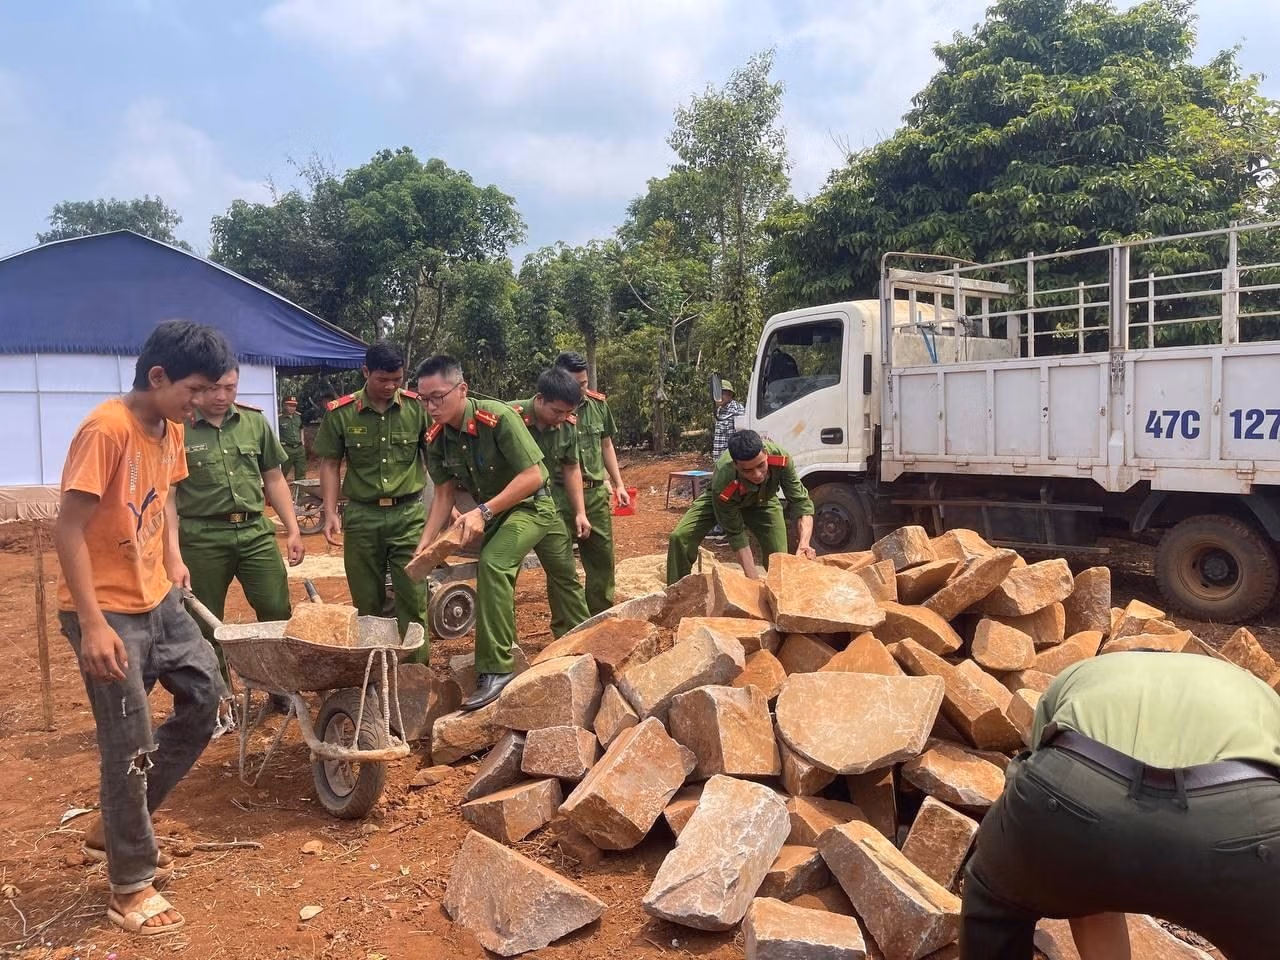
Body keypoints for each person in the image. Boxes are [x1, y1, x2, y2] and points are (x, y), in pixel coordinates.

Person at [53, 319, 233, 936]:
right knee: (128, 742)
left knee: (207, 698)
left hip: (159, 597)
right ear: (157, 376)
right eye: (195, 388)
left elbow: (165, 500)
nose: (203, 401)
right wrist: (92, 624)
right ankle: (129, 885)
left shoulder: (170, 427)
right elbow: (68, 528)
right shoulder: (106, 430)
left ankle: (118, 824)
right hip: (106, 610)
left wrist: (173, 558)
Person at [960, 650, 1280, 960]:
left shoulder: (1087, 671)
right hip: (1238, 824)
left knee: (998, 892)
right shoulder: (1257, 692)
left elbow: (1036, 764)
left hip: (1077, 798)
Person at [415, 355, 589, 710]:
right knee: (494, 565)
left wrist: (482, 511)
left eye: (438, 397)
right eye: (424, 399)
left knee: (563, 577)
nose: (431, 406)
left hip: (534, 507)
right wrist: (425, 545)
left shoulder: (497, 418)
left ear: (462, 389)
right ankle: (497, 667)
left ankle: (586, 642)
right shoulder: (437, 438)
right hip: (499, 515)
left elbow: (534, 476)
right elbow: (444, 495)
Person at [177, 364, 305, 726]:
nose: (222, 396)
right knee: (205, 622)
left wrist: (293, 529)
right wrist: (171, 554)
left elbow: (273, 478)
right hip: (202, 537)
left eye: (230, 388)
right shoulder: (178, 429)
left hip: (254, 532)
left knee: (276, 609)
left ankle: (281, 689)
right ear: (198, 386)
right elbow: (168, 496)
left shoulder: (254, 422)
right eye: (213, 388)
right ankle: (220, 702)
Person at [313, 342, 429, 658]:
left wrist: (447, 508)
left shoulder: (417, 409)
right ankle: (375, 671)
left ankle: (416, 672)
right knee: (366, 602)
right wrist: (330, 512)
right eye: (383, 380)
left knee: (413, 598)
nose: (390, 387)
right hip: (362, 517)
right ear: (366, 372)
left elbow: (434, 459)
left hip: (408, 516)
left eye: (397, 379)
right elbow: (330, 464)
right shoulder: (342, 413)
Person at [509, 367, 596, 635]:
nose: (562, 419)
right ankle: (507, 646)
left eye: (568, 413)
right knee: (503, 578)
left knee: (565, 575)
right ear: (539, 399)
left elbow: (571, 467)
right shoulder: (509, 417)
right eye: (557, 412)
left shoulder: (567, 424)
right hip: (509, 512)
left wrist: (580, 512)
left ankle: (578, 638)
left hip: (548, 508)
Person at [666, 429, 816, 583]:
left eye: (761, 465)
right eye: (748, 470)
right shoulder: (724, 479)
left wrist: (804, 543)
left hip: (763, 500)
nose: (757, 474)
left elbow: (801, 502)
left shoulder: (781, 458)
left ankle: (779, 590)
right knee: (680, 537)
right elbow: (737, 535)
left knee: (778, 558)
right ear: (735, 465)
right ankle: (676, 591)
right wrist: (753, 582)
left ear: (765, 453)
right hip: (724, 500)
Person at [554, 351, 627, 614]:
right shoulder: (549, 410)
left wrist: (618, 484)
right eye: (574, 385)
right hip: (559, 497)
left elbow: (606, 444)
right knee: (561, 566)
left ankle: (601, 617)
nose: (581, 390)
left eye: (584, 383)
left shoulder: (598, 405)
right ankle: (568, 625)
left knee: (602, 562)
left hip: (594, 494)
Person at [712, 379, 746, 460]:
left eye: (722, 393)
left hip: (730, 459)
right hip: (719, 458)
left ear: (730, 394)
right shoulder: (719, 410)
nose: (719, 397)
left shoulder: (737, 409)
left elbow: (741, 436)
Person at [278, 395, 307, 481]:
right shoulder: (279, 418)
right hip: (286, 449)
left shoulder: (298, 416)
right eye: (290, 405)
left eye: (294, 406)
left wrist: (302, 440)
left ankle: (300, 490)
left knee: (301, 474)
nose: (292, 408)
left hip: (299, 449)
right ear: (284, 405)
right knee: (282, 473)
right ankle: (281, 490)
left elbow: (301, 428)